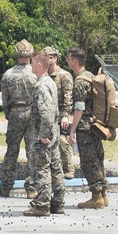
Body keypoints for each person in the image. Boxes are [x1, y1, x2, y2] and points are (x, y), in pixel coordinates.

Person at [24, 50, 66, 217]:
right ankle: (58, 202)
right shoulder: (50, 82)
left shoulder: (41, 86)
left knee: (41, 168)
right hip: (53, 132)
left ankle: (42, 205)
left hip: (45, 133)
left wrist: (43, 135)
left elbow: (46, 114)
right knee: (56, 167)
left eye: (32, 63)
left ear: (39, 64)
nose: (30, 66)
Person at [68, 47, 109, 208]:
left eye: (69, 59)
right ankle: (103, 194)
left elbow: (79, 108)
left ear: (75, 61)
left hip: (85, 127)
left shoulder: (79, 82)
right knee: (98, 159)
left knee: (88, 162)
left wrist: (72, 129)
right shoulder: (91, 77)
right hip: (96, 125)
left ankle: (96, 197)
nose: (67, 61)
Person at [0, 39, 37, 197]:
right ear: (31, 54)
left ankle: (6, 185)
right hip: (31, 113)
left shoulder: (8, 75)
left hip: (15, 113)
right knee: (32, 151)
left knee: (12, 151)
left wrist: (10, 113)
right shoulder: (35, 74)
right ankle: (31, 188)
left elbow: (4, 100)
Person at [45, 47, 76, 179]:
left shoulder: (64, 75)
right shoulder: (42, 75)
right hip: (47, 115)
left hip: (60, 114)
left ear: (55, 58)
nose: (48, 60)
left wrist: (65, 116)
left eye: (50, 57)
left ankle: (68, 168)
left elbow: (69, 96)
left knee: (63, 141)